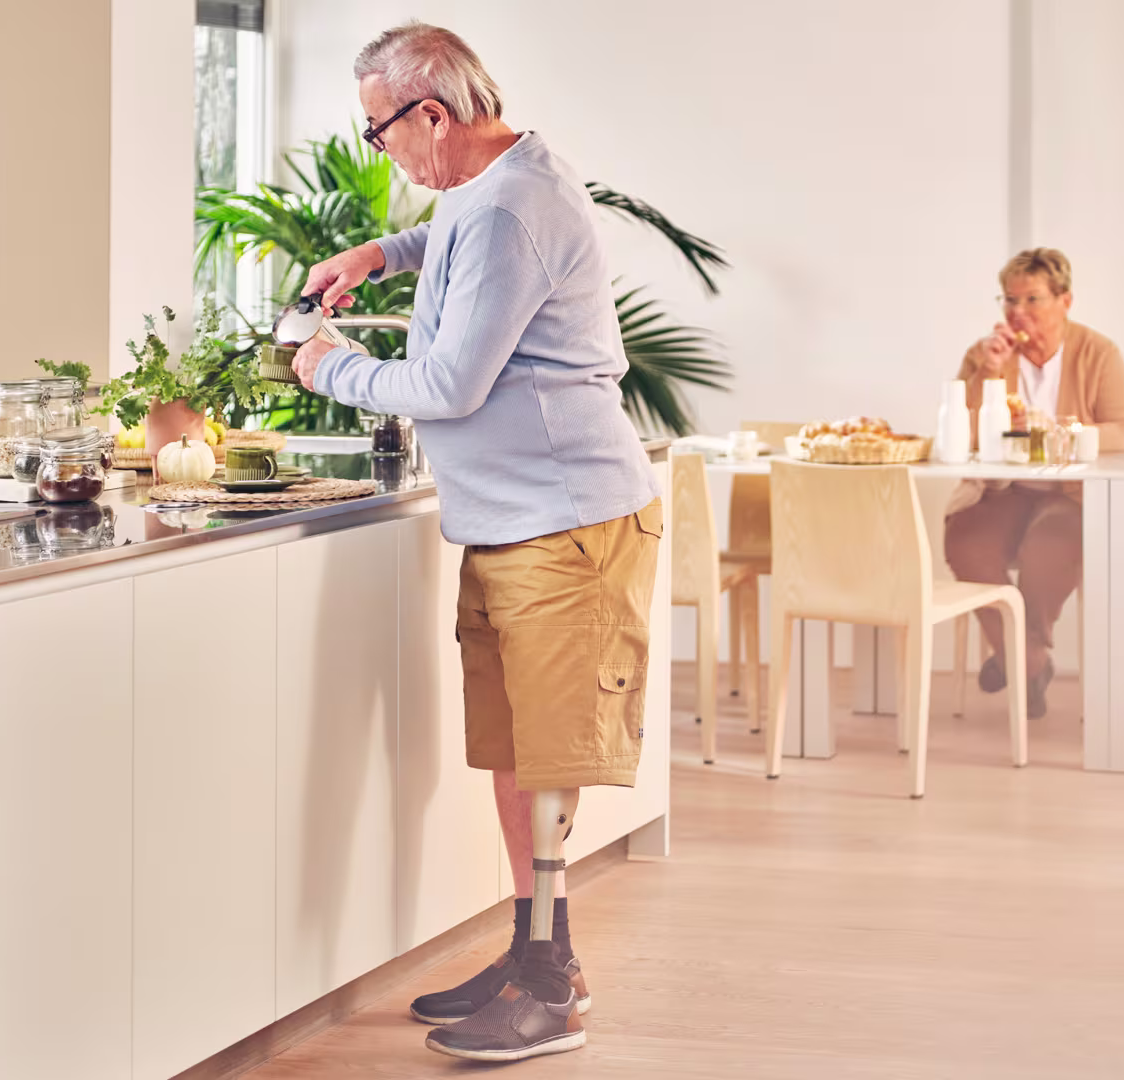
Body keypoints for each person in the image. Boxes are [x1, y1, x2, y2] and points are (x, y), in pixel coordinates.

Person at [292, 22, 660, 1064]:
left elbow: (450, 387)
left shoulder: (510, 208)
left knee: (546, 761)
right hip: (513, 520)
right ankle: (534, 954)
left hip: (565, 523)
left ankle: (550, 990)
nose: (384, 154)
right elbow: (458, 232)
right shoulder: (498, 179)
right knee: (514, 756)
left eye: (380, 132)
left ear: (433, 114)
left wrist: (327, 369)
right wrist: (381, 249)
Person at [945, 248, 1124, 718]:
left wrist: (1063, 433)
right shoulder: (985, 354)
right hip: (1003, 490)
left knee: (1049, 550)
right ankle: (1031, 661)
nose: (1018, 312)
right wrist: (987, 373)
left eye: (1032, 299)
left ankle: (1018, 658)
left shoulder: (1099, 352)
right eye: (1010, 300)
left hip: (1067, 492)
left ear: (1064, 300)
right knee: (965, 538)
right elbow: (964, 433)